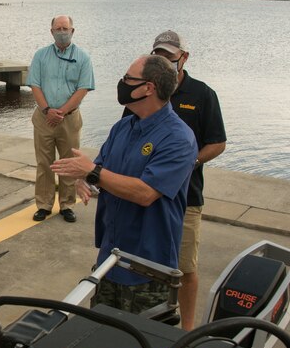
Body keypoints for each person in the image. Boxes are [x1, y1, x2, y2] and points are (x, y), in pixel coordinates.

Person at [51, 55, 197, 315]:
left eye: (128, 79)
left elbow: (145, 193)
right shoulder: (122, 127)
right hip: (110, 259)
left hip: (149, 267)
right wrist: (86, 180)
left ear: (148, 88)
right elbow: (100, 171)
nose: (122, 83)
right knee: (98, 334)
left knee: (142, 346)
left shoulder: (179, 138)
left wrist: (92, 171)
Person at [124, 31, 226, 330]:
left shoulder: (202, 94)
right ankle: (145, 323)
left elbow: (217, 142)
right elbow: (127, 131)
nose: (165, 61)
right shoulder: (143, 91)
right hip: (144, 193)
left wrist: (190, 162)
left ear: (183, 57)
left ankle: (188, 330)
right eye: (159, 56)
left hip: (186, 197)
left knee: (185, 267)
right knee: (145, 263)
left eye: (170, 56)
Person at [27, 15, 95, 223]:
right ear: (51, 31)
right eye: (58, 28)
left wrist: (62, 111)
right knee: (44, 163)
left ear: (72, 31)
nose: (62, 31)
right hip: (44, 117)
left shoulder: (83, 58)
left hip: (69, 119)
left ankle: (67, 204)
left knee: (69, 163)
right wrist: (48, 110)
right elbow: (34, 84)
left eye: (65, 28)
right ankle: (44, 204)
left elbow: (83, 89)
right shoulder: (40, 56)